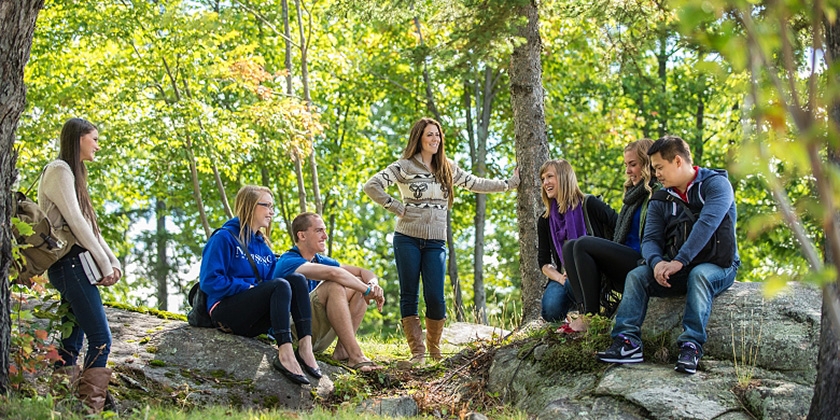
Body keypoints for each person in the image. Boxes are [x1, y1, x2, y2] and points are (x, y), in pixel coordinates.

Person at [363, 117, 519, 363]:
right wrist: (394, 206)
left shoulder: (447, 167)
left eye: (437, 135)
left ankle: (434, 348)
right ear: (419, 139)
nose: (435, 139)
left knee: (436, 296)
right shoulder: (404, 166)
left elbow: (476, 183)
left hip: (436, 241)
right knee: (409, 295)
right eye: (429, 135)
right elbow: (371, 185)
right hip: (407, 238)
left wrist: (508, 184)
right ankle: (418, 353)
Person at [597, 135, 739, 374]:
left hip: (718, 265)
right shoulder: (661, 197)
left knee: (700, 275)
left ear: (677, 161)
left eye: (659, 167)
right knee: (637, 276)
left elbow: (706, 225)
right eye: (653, 169)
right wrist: (656, 263)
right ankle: (627, 342)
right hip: (676, 268)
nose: (656, 174)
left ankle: (691, 345)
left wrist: (678, 262)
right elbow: (650, 239)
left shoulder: (716, 185)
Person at [39, 118, 121, 413]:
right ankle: (88, 411)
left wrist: (112, 260)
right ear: (78, 139)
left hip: (75, 264)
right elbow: (74, 221)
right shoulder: (59, 170)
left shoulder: (75, 174)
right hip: (69, 266)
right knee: (101, 339)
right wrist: (103, 261)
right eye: (94, 139)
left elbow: (88, 225)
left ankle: (62, 409)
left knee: (72, 343)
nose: (98, 145)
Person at [199, 185, 320, 385]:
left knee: (297, 279)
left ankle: (305, 349)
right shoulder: (224, 237)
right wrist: (246, 288)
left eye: (273, 207)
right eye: (267, 206)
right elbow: (209, 281)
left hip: (252, 318)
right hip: (225, 312)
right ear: (250, 206)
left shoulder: (262, 246)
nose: (272, 212)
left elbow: (273, 282)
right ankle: (285, 354)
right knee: (279, 285)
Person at [274, 212, 386, 372]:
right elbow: (334, 274)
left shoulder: (319, 260)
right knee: (334, 285)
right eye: (319, 231)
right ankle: (357, 356)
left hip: (314, 335)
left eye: (324, 230)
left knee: (357, 283)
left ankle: (343, 351)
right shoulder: (288, 261)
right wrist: (367, 291)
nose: (325, 236)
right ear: (302, 235)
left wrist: (372, 284)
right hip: (293, 335)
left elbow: (362, 271)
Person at [563, 139, 657, 316]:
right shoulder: (632, 197)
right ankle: (583, 312)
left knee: (583, 244)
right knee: (569, 246)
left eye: (633, 164)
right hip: (625, 257)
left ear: (647, 163)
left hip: (643, 261)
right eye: (626, 165)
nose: (628, 171)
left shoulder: (656, 194)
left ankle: (591, 317)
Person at [537, 159, 617, 323]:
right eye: (543, 179)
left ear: (564, 177)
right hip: (564, 277)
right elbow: (544, 262)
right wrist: (560, 278)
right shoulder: (545, 220)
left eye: (550, 177)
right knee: (550, 310)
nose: (545, 183)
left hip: (595, 271)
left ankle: (589, 315)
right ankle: (574, 313)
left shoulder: (590, 204)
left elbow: (619, 224)